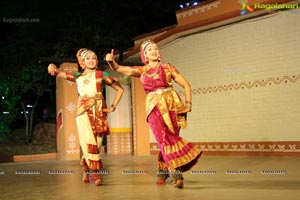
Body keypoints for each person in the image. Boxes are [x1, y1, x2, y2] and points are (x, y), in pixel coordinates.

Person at [105, 40, 202, 188]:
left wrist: (188, 104)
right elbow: (119, 68)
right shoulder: (142, 70)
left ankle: (162, 172)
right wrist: (112, 63)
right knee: (163, 139)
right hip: (153, 106)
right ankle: (176, 174)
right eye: (150, 49)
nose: (154, 51)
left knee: (171, 138)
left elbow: (186, 85)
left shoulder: (168, 67)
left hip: (173, 105)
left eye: (155, 48)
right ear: (145, 55)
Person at [48, 48, 124, 186]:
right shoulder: (78, 76)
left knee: (98, 143)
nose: (91, 60)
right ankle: (96, 175)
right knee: (88, 142)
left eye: (94, 57)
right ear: (82, 61)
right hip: (83, 111)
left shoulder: (101, 74)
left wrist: (113, 106)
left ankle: (86, 168)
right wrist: (52, 66)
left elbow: (120, 89)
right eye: (87, 58)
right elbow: (58, 72)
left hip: (100, 111)